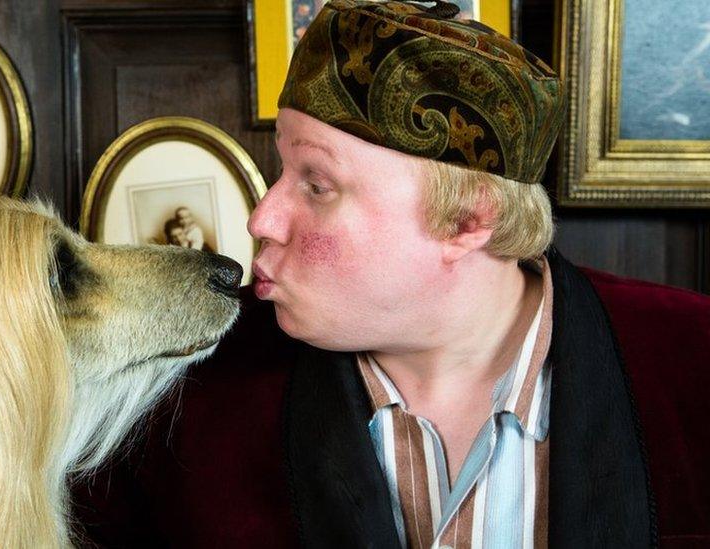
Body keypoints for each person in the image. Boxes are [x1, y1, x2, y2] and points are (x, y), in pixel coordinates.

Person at [67, 1, 709, 547]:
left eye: (316, 185)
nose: (262, 217)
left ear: (467, 220)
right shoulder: (178, 398)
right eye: (280, 171)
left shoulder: (691, 364)